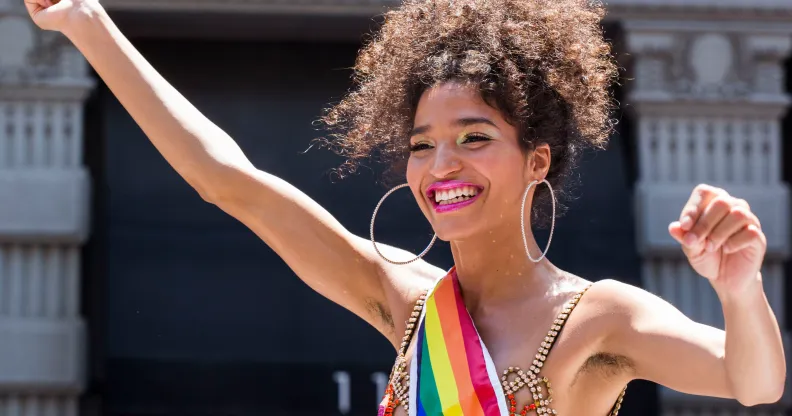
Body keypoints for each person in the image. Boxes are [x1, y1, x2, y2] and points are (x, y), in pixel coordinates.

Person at [25, 0, 786, 414]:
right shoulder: (407, 300)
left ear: (538, 160)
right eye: (423, 144)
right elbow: (230, 181)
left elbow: (751, 382)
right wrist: (89, 22)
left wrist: (739, 286)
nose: (442, 164)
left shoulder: (600, 318)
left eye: (474, 136)